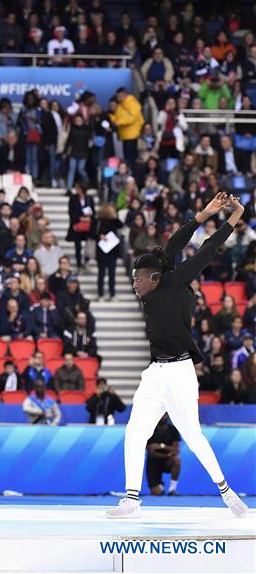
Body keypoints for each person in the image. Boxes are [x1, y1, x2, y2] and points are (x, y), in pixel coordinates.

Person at [107, 192, 247, 519]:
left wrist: (234, 216)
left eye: (138, 278)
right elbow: (174, 243)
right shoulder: (154, 284)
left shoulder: (175, 282)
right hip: (154, 373)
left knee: (193, 436)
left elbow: (208, 248)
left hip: (180, 372)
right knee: (135, 432)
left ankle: (227, 493)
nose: (134, 284)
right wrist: (204, 213)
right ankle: (131, 499)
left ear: (154, 278)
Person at [145, 414, 182, 496]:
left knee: (176, 460)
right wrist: (168, 453)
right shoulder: (149, 429)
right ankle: (160, 484)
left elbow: (176, 450)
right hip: (153, 463)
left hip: (167, 461)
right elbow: (150, 452)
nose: (162, 416)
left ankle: (172, 489)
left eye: (165, 414)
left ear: (168, 415)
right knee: (157, 493)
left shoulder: (173, 430)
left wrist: (161, 446)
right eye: (160, 414)